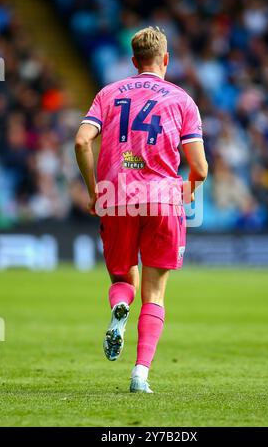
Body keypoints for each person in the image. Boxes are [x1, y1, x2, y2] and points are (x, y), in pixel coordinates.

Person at [75, 27, 208, 393]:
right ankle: (140, 376)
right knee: (155, 292)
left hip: (116, 196)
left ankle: (119, 309)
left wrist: (93, 189)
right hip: (162, 199)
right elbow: (200, 168)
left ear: (133, 62)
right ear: (166, 59)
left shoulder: (108, 93)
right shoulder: (183, 101)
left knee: (122, 280)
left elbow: (82, 140)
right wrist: (189, 189)